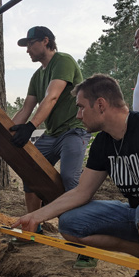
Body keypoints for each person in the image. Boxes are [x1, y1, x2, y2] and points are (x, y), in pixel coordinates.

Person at [12, 74, 139, 277]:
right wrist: (37, 216)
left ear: (100, 105)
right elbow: (82, 192)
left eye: (81, 107)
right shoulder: (103, 142)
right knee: (70, 224)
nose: (78, 115)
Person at [10, 26, 91, 241]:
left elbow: (52, 97)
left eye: (30, 44)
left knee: (70, 178)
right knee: (30, 171)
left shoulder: (63, 61)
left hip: (74, 130)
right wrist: (5, 133)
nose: (27, 50)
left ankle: (83, 234)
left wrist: (30, 127)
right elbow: (25, 109)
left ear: (45, 41)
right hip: (53, 134)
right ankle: (33, 228)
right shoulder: (37, 76)